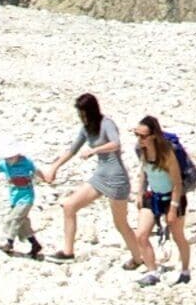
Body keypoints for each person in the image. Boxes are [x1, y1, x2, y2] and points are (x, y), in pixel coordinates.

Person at [54, 93, 153, 268]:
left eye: (83, 113)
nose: (81, 117)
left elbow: (115, 143)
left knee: (121, 223)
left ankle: (138, 258)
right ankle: (68, 252)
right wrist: (54, 167)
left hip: (117, 178)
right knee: (69, 206)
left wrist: (94, 151)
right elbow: (72, 150)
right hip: (100, 176)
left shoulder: (106, 123)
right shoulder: (86, 129)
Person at [133, 116, 196, 286]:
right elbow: (144, 172)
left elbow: (177, 183)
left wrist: (173, 209)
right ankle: (152, 272)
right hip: (153, 195)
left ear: (153, 135)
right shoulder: (142, 150)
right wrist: (139, 193)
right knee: (141, 235)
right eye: (136, 135)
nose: (139, 139)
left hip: (173, 198)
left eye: (143, 136)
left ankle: (185, 270)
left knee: (178, 236)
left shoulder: (167, 153)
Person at [0, 151, 47, 256]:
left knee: (14, 219)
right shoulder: (4, 164)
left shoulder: (26, 162)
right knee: (24, 224)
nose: (8, 160)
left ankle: (9, 243)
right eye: (6, 158)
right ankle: (35, 244)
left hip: (27, 197)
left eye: (10, 157)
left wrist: (46, 178)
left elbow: (36, 171)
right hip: (14, 199)